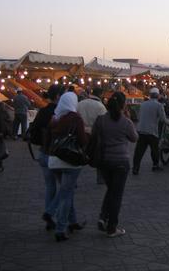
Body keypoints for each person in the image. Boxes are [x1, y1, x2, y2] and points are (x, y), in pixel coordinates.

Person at [92, 92, 138, 237]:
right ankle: (112, 227)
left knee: (111, 189)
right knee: (116, 194)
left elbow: (94, 135)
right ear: (123, 105)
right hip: (121, 162)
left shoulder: (101, 120)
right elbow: (134, 138)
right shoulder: (125, 122)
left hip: (104, 160)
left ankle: (103, 217)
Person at [46, 92, 88, 242]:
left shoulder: (55, 118)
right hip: (69, 161)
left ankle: (73, 222)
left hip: (53, 160)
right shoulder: (75, 118)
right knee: (65, 194)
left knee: (67, 192)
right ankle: (60, 228)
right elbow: (82, 140)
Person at [29, 84, 64, 230]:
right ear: (57, 96)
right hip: (56, 154)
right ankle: (51, 213)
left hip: (43, 153)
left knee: (50, 186)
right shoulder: (59, 112)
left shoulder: (42, 111)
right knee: (66, 187)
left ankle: (50, 216)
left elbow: (34, 132)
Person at [132, 87, 168, 174]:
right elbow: (163, 119)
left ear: (150, 96)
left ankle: (135, 168)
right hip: (152, 131)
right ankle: (155, 166)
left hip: (141, 130)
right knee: (154, 150)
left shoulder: (143, 104)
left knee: (139, 151)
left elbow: (138, 117)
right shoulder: (159, 105)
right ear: (158, 96)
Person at [77, 87, 107, 184]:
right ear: (101, 94)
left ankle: (75, 178)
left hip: (81, 133)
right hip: (95, 134)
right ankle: (100, 178)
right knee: (99, 156)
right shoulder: (100, 106)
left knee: (79, 156)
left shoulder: (80, 104)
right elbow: (103, 123)